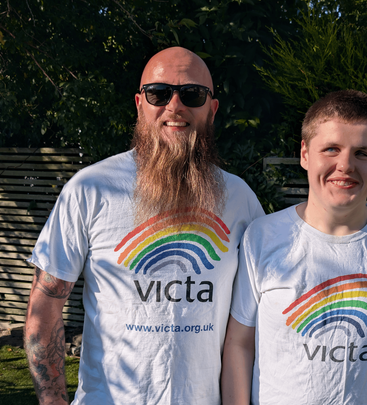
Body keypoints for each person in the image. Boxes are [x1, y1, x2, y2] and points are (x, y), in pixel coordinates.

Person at [24, 46, 265, 405]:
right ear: (140, 104)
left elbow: (257, 320)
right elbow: (45, 306)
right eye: (158, 93)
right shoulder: (91, 189)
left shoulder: (240, 199)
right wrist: (52, 400)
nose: (175, 105)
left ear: (211, 110)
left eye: (192, 94)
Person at [221, 90, 367, 405]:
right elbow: (239, 344)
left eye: (362, 153)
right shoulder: (262, 237)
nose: (345, 165)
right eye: (331, 149)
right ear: (305, 154)